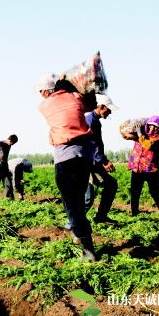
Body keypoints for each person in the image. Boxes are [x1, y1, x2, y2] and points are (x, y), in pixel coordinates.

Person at [37, 73, 97, 261]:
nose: (40, 95)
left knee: (71, 205)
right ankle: (80, 235)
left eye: (41, 91)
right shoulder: (76, 97)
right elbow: (91, 104)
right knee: (77, 200)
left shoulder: (45, 105)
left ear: (47, 91)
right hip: (84, 156)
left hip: (65, 158)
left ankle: (87, 248)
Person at [82, 94, 119, 224]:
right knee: (88, 198)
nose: (109, 113)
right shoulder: (91, 120)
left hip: (92, 162)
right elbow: (93, 144)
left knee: (111, 184)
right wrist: (104, 161)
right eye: (108, 110)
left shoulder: (93, 119)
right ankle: (72, 224)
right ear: (102, 107)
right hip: (86, 162)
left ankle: (100, 216)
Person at [126, 115, 159, 218]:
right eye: (150, 125)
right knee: (135, 192)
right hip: (137, 168)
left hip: (150, 168)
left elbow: (148, 145)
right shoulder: (142, 132)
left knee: (155, 192)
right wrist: (132, 130)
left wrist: (140, 135)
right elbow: (126, 135)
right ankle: (134, 213)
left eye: (155, 127)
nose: (152, 128)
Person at [0, 135, 18, 199]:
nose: (12, 145)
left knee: (8, 183)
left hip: (5, 167)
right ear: (9, 140)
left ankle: (9, 199)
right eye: (12, 143)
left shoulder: (9, 145)